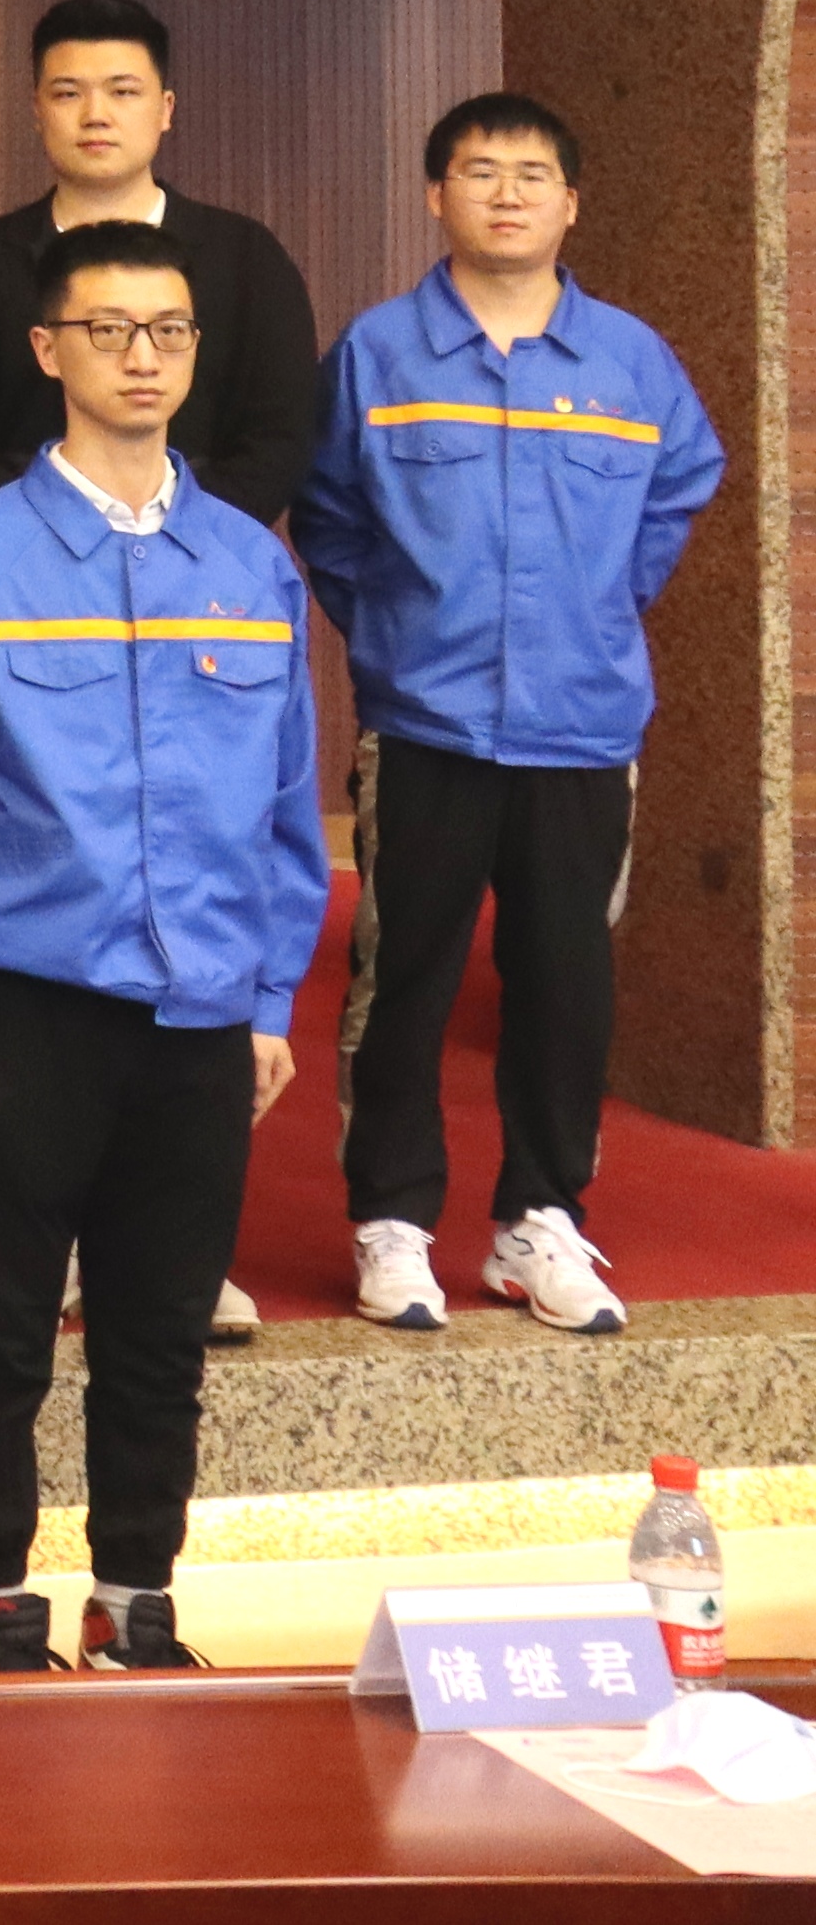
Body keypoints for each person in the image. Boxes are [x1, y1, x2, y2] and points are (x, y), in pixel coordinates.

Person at [0, 219, 333, 1673]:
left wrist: (268, 997)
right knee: (2, 1335)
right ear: (48, 348)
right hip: (23, 1004)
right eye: (108, 329)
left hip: (201, 1007)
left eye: (169, 331)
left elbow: (289, 804)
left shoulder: (250, 564)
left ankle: (137, 1599)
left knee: (158, 1330)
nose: (142, 356)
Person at [298, 93, 720, 1335]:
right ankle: (391, 1219)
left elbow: (682, 481)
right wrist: (392, 626)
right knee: (401, 977)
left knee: (565, 982)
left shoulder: (631, 359)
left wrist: (603, 603)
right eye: (480, 171)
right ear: (438, 195)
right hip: (425, 720)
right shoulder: (379, 352)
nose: (508, 192)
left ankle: (541, 1216)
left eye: (533, 174)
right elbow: (327, 513)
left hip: (583, 724)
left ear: (570, 202)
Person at [0, 0, 323, 526]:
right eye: (68, 94)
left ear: (166, 109)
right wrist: (54, 546)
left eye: (123, 92)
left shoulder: (249, 259)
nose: (96, 116)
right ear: (37, 110)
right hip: (22, 562)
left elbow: (279, 442)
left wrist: (172, 541)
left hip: (204, 556)